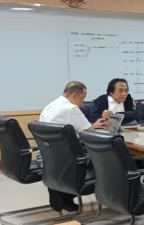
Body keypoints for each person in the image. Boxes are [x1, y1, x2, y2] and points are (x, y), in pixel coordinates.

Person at [39, 81, 107, 212]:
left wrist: (93, 126)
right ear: (75, 95)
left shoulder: (50, 106)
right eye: (83, 98)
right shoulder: (70, 108)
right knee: (108, 159)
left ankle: (61, 193)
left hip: (49, 157)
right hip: (70, 159)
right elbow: (88, 133)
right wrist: (96, 127)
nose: (82, 102)